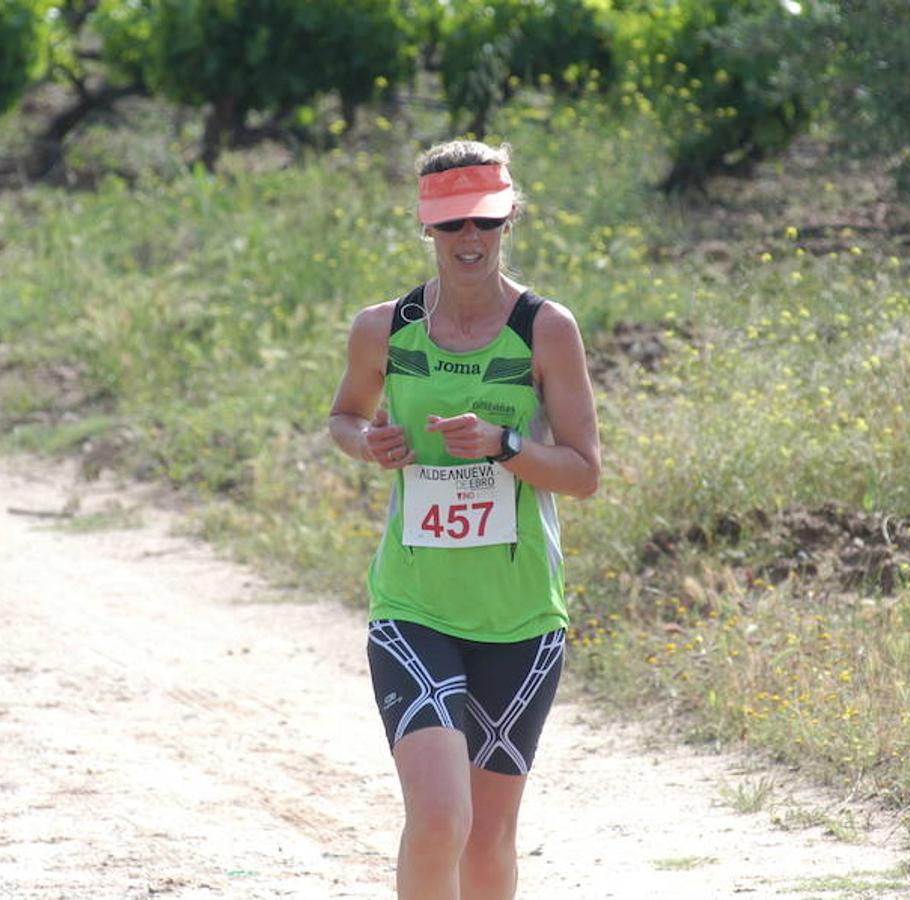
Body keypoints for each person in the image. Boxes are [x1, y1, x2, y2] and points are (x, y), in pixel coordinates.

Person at [327, 139, 601, 899]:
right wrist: (368, 443)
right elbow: (343, 418)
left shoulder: (546, 329)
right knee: (440, 818)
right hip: (413, 607)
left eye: (484, 220)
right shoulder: (382, 328)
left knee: (487, 839)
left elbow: (584, 475)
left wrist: (504, 444)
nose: (469, 240)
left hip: (520, 618)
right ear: (427, 229)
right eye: (451, 225)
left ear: (509, 216)